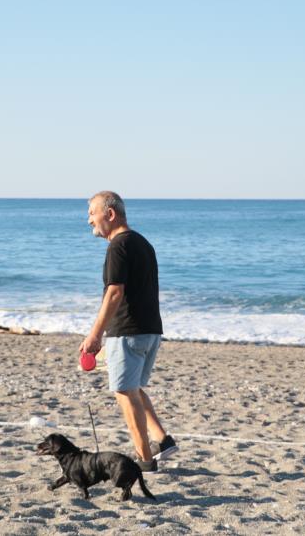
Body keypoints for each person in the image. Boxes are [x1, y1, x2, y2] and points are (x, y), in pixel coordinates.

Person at [80, 191, 178, 472]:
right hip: (150, 330)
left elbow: (114, 293)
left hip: (128, 331)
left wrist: (95, 335)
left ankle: (144, 461)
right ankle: (163, 440)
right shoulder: (142, 243)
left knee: (124, 391)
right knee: (133, 388)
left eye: (91, 213)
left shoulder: (118, 246)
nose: (89, 221)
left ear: (110, 214)